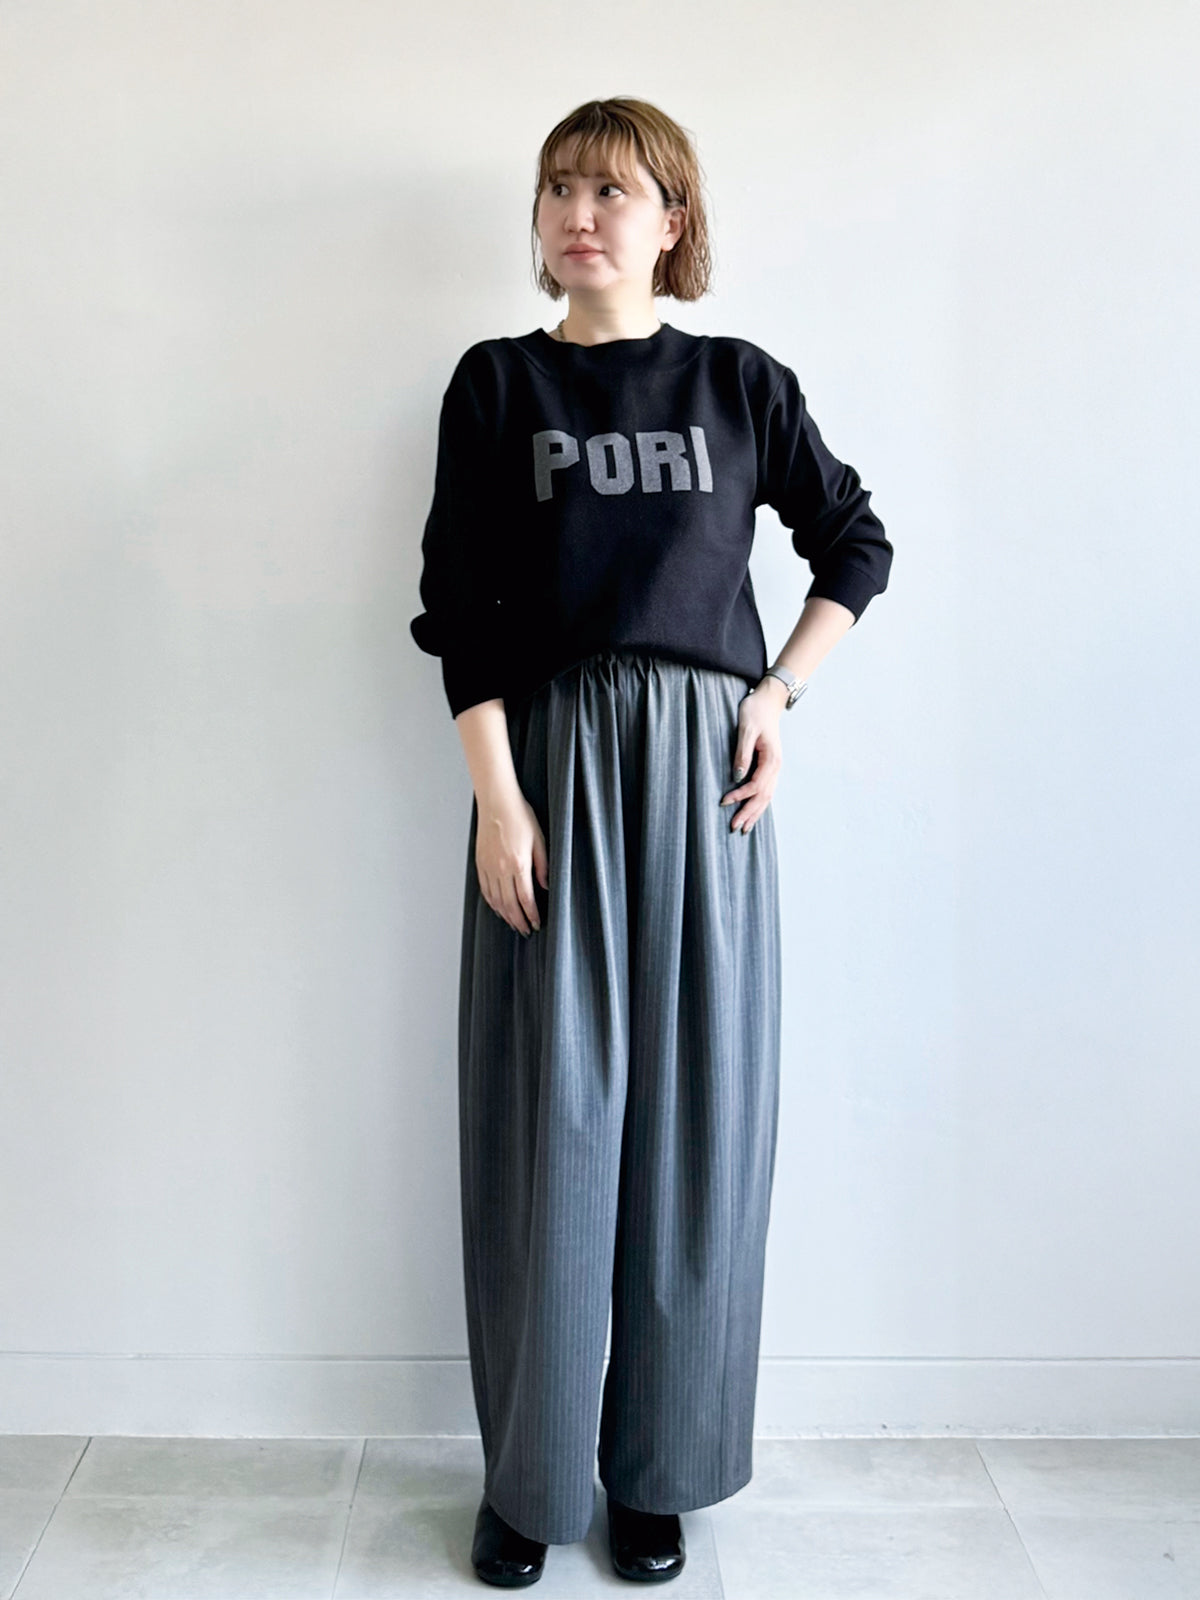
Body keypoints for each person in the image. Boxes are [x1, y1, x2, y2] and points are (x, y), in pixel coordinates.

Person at [410, 96, 893, 1588]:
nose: (581, 212)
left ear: (671, 219)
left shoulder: (737, 384)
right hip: (548, 771)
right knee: (549, 1130)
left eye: (613, 189)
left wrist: (778, 696)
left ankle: (657, 1471)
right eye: (560, 186)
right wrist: (499, 800)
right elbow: (455, 604)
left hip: (704, 781)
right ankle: (532, 1479)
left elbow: (855, 541)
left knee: (696, 1128)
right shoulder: (499, 385)